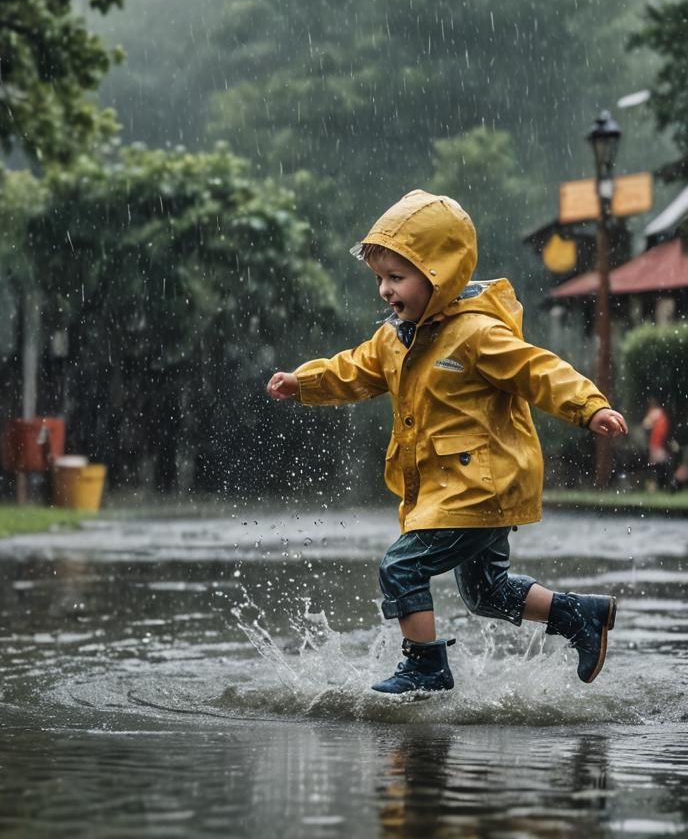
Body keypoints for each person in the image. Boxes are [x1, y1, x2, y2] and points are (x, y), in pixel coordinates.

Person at [266, 190, 628, 695]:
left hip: (480, 488)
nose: (385, 290)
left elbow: (538, 370)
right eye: (380, 278)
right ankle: (580, 615)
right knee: (486, 592)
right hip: (450, 490)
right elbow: (353, 371)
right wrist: (303, 382)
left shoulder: (476, 334)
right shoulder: (394, 339)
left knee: (402, 566)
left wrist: (589, 406)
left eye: (397, 277)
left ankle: (426, 667)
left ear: (439, 273)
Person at [641, 396, 672, 492]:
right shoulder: (662, 414)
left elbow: (645, 425)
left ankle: (654, 486)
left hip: (655, 443)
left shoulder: (654, 413)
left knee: (655, 466)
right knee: (661, 465)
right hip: (662, 443)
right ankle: (663, 486)